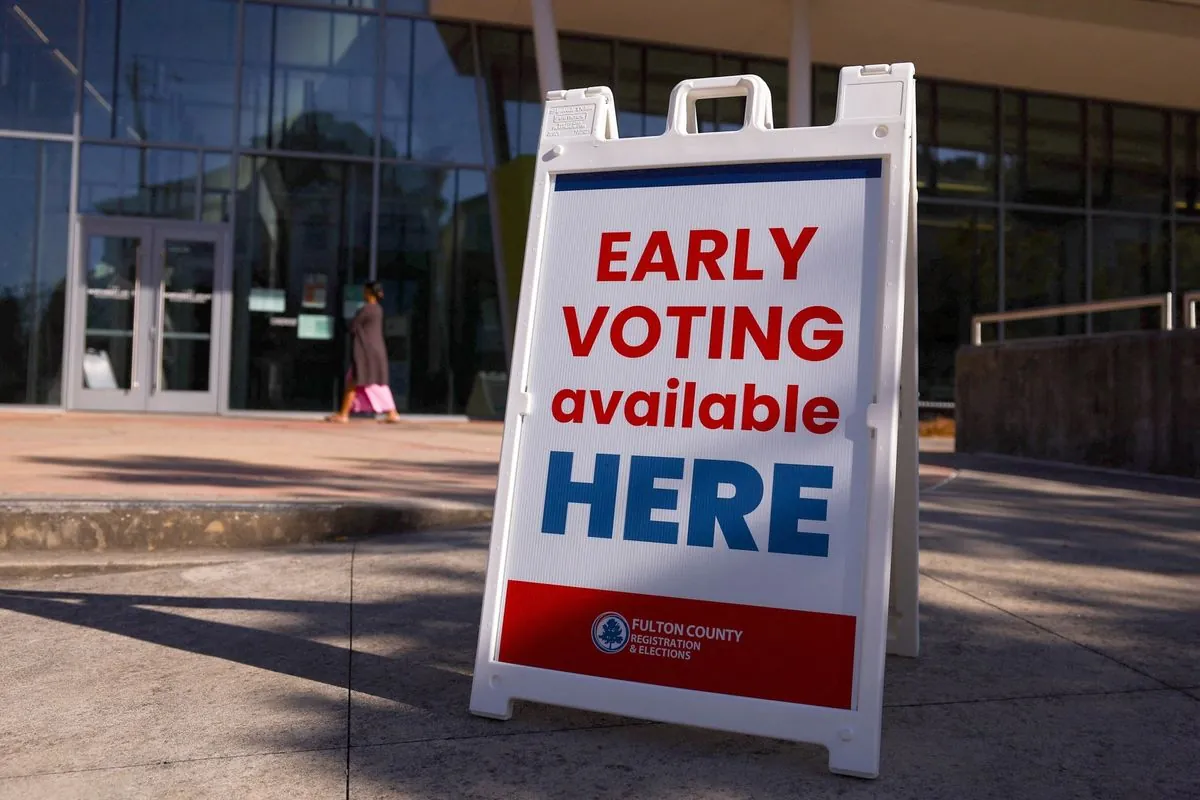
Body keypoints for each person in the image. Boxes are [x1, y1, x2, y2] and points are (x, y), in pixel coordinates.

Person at [327, 281, 401, 423]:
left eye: (365, 291)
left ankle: (344, 415)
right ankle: (391, 412)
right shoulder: (378, 309)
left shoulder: (367, 309)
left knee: (356, 380)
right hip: (374, 350)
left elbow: (353, 326)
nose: (363, 294)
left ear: (368, 293)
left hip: (366, 353)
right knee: (370, 382)